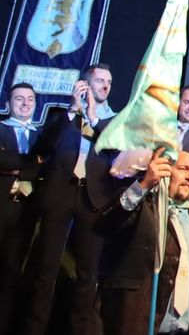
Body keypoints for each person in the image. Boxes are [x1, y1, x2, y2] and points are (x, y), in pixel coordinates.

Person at [23, 63, 118, 335]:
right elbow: (43, 147)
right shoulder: (63, 115)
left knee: (88, 273)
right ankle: (34, 328)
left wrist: (94, 118)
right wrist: (73, 110)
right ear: (85, 84)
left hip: (93, 198)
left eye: (109, 82)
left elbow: (118, 152)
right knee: (45, 269)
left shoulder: (115, 121)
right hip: (60, 194)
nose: (105, 85)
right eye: (100, 80)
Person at [97, 149, 189, 335]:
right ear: (164, 171)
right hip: (136, 323)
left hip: (186, 330)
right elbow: (105, 224)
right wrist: (145, 184)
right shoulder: (142, 206)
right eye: (183, 169)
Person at [0, 83, 43, 331]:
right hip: (2, 206)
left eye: (30, 99)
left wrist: (15, 169)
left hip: (27, 212)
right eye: (19, 99)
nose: (25, 104)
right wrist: (32, 164)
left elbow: (46, 170)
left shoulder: (41, 136)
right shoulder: (1, 128)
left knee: (13, 275)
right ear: (8, 104)